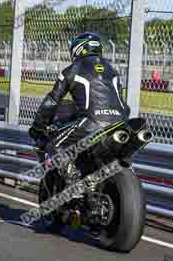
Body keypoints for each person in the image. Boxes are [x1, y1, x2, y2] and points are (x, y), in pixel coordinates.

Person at [28, 32, 130, 190]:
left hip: (91, 123)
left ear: (77, 49)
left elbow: (52, 102)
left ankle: (72, 183)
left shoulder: (72, 69)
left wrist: (37, 127)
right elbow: (123, 106)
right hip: (121, 123)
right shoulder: (113, 71)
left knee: (54, 146)